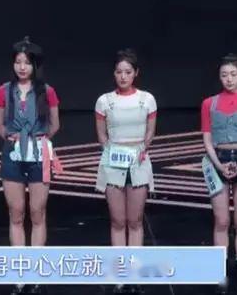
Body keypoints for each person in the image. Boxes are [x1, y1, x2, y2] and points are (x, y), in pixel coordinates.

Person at [0, 37, 62, 295]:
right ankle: (19, 270)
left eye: (27, 63)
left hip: (38, 154)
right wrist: (11, 137)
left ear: (35, 65)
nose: (22, 67)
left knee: (37, 211)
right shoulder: (3, 91)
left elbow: (55, 124)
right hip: (12, 154)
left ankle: (36, 269)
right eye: (18, 62)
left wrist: (38, 141)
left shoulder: (47, 91)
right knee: (16, 212)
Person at [94, 49, 157, 295]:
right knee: (118, 221)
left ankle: (135, 272)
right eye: (119, 72)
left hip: (138, 162)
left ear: (136, 73)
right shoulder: (104, 101)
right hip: (113, 163)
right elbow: (101, 135)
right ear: (114, 74)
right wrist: (111, 151)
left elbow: (150, 131)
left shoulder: (147, 99)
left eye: (128, 72)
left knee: (135, 220)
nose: (123, 76)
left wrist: (142, 148)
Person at [201, 54, 237, 295]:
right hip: (217, 161)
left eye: (233, 74)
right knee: (222, 221)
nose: (229, 79)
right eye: (224, 75)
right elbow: (207, 139)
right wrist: (219, 164)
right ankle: (220, 269)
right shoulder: (209, 103)